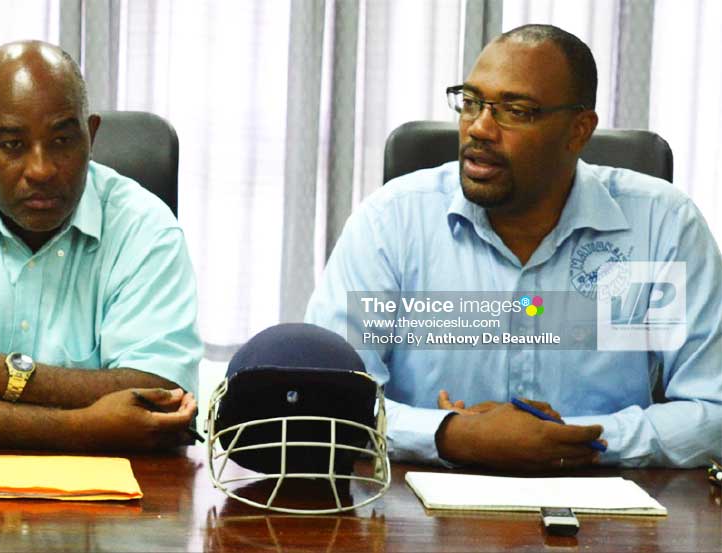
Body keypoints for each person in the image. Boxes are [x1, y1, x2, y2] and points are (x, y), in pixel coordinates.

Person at [305, 24, 722, 470]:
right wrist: (449, 433)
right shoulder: (392, 221)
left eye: (516, 110)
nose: (479, 128)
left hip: (608, 517)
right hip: (417, 519)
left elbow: (712, 409)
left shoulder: (662, 225)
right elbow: (326, 398)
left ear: (578, 131)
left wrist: (578, 440)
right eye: (470, 102)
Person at [0, 41, 203, 451]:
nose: (41, 169)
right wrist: (86, 427)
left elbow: (161, 395)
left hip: (120, 507)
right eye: (13, 145)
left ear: (91, 134)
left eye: (63, 141)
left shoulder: (146, 227)